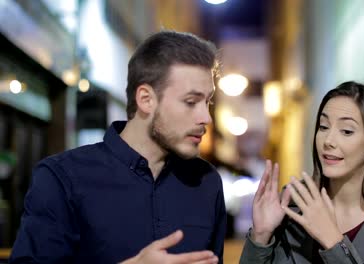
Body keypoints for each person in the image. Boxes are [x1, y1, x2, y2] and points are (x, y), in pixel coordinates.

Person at [9, 31, 226, 264]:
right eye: (191, 102)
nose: (206, 117)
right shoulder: (61, 178)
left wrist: (261, 240)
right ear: (146, 99)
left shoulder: (207, 181)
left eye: (208, 102)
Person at [240, 81, 364, 263]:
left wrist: (333, 242)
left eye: (347, 131)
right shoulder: (292, 204)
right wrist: (261, 236)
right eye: (323, 127)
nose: (328, 141)